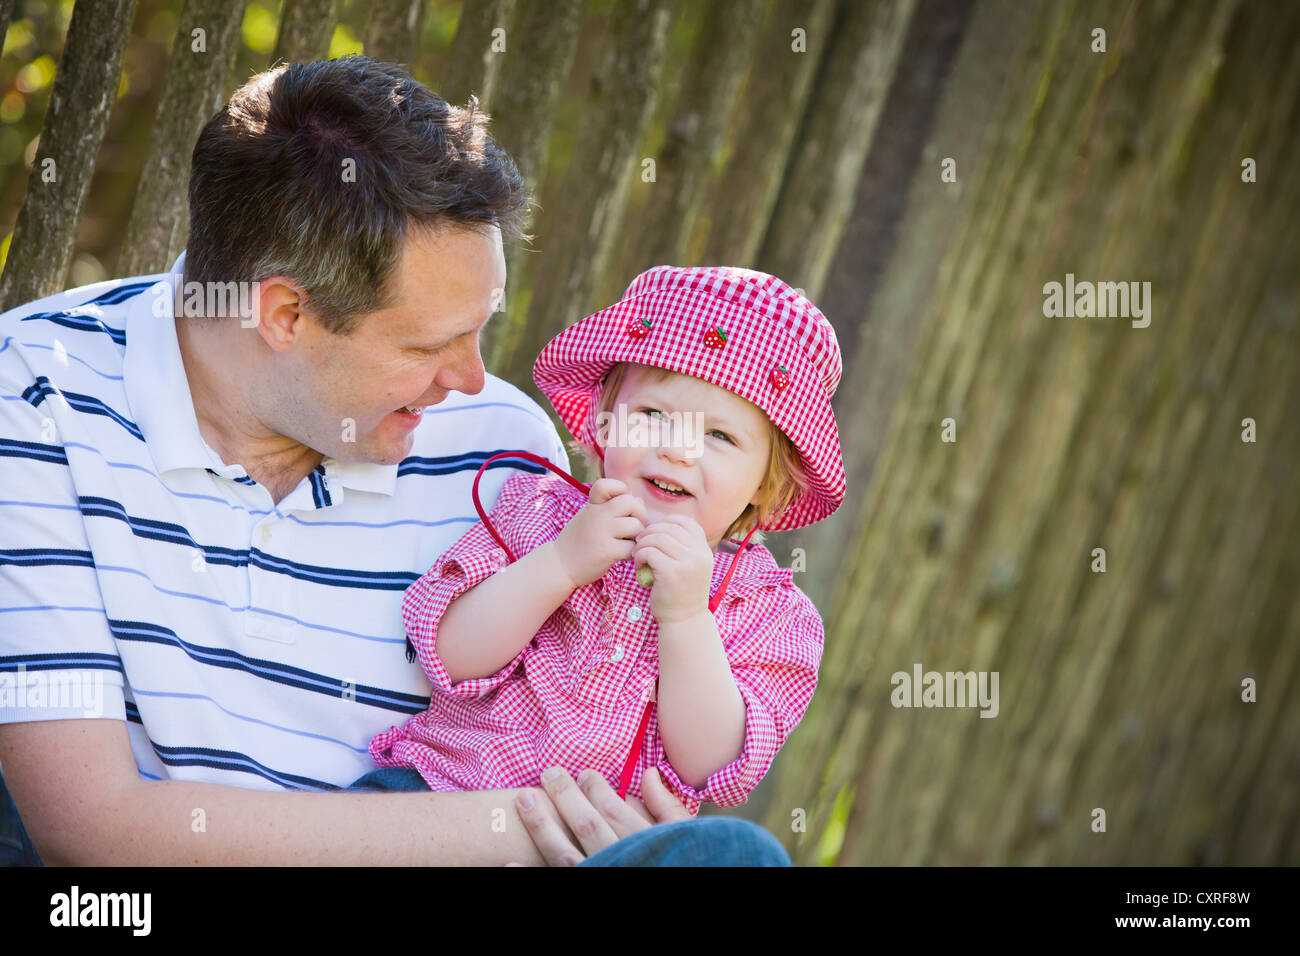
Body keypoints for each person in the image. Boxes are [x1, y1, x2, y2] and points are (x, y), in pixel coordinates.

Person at [0, 56, 790, 866]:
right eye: (428, 344)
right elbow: (86, 828)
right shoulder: (40, 391)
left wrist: (629, 839)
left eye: (481, 327)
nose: (473, 379)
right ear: (284, 314)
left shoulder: (498, 442)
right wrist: (530, 828)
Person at [361, 266, 846, 817]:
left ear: (766, 482)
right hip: (441, 798)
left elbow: (710, 765)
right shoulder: (540, 513)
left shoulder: (771, 615)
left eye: (719, 435)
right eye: (654, 415)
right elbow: (448, 655)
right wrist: (563, 564)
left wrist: (687, 617)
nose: (679, 451)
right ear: (606, 423)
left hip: (601, 841)